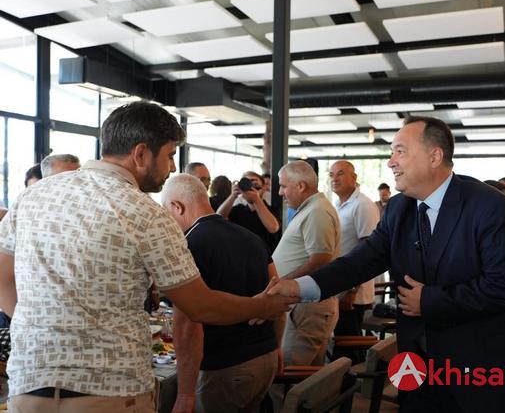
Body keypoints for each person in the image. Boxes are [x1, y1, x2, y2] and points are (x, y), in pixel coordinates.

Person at [0, 102, 295, 413]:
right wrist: (263, 306)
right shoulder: (146, 213)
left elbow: (3, 277)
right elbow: (199, 305)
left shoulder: (32, 196)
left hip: (30, 387)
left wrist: (42, 327)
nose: (172, 167)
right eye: (169, 155)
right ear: (141, 154)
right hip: (110, 393)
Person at [269, 116, 505, 412]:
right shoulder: (399, 208)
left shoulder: (490, 207)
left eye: (399, 151)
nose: (391, 162)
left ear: (435, 156)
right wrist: (298, 287)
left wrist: (429, 301)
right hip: (420, 369)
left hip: (486, 371)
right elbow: (358, 263)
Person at [162, 174, 280, 413]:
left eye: (166, 212)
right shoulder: (252, 238)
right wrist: (277, 347)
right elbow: (277, 293)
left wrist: (185, 394)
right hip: (264, 357)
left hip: (226, 366)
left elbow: (187, 323)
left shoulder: (189, 245)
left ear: (177, 207)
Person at [273, 160, 340, 366]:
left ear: (301, 186)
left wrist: (282, 283)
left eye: (283, 186)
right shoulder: (310, 208)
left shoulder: (317, 211)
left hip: (307, 308)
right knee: (308, 376)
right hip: (305, 306)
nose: (280, 192)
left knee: (289, 372)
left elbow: (320, 259)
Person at [329, 160, 379, 362]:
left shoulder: (362, 205)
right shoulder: (338, 205)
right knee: (342, 344)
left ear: (354, 178)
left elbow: (368, 251)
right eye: (331, 174)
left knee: (348, 351)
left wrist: (351, 291)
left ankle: (353, 382)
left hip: (353, 293)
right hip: (340, 286)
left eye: (340, 173)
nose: (335, 178)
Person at [217, 171, 280, 252]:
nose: (250, 188)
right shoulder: (238, 210)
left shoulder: (272, 210)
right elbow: (218, 218)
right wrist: (233, 195)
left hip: (265, 255)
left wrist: (256, 199)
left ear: (264, 187)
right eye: (247, 183)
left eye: (255, 184)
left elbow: (273, 228)